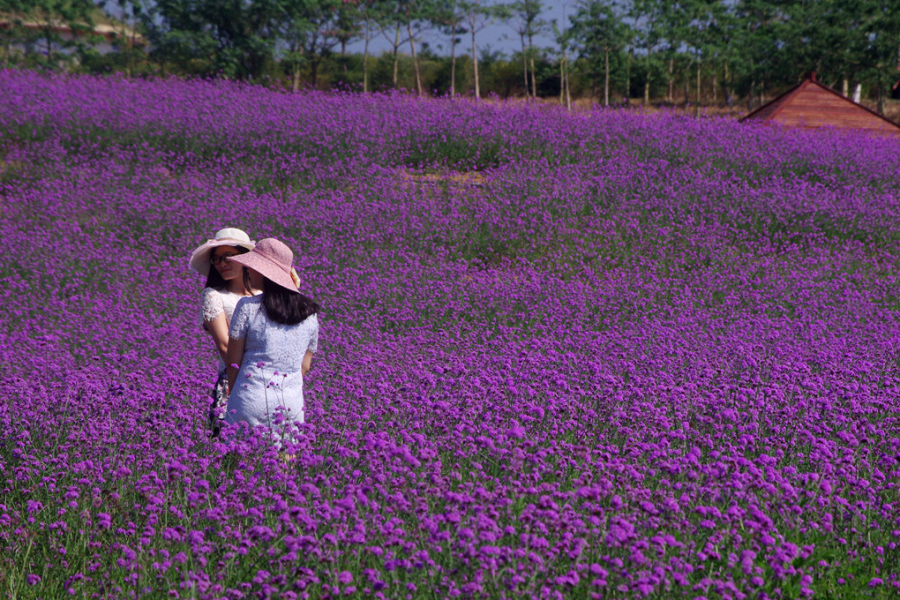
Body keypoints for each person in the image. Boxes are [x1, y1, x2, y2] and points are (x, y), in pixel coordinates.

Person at [224, 238, 319, 443]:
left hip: (249, 399)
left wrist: (235, 394)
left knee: (239, 469)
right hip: (291, 404)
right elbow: (305, 366)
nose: (248, 270)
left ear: (264, 272)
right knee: (283, 471)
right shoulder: (310, 314)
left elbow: (233, 362)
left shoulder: (247, 307)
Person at [189, 227, 256, 434]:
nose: (221, 264)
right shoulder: (214, 296)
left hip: (266, 381)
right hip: (234, 379)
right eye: (216, 259)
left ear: (245, 258)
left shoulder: (264, 294)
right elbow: (226, 347)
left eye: (228, 256)